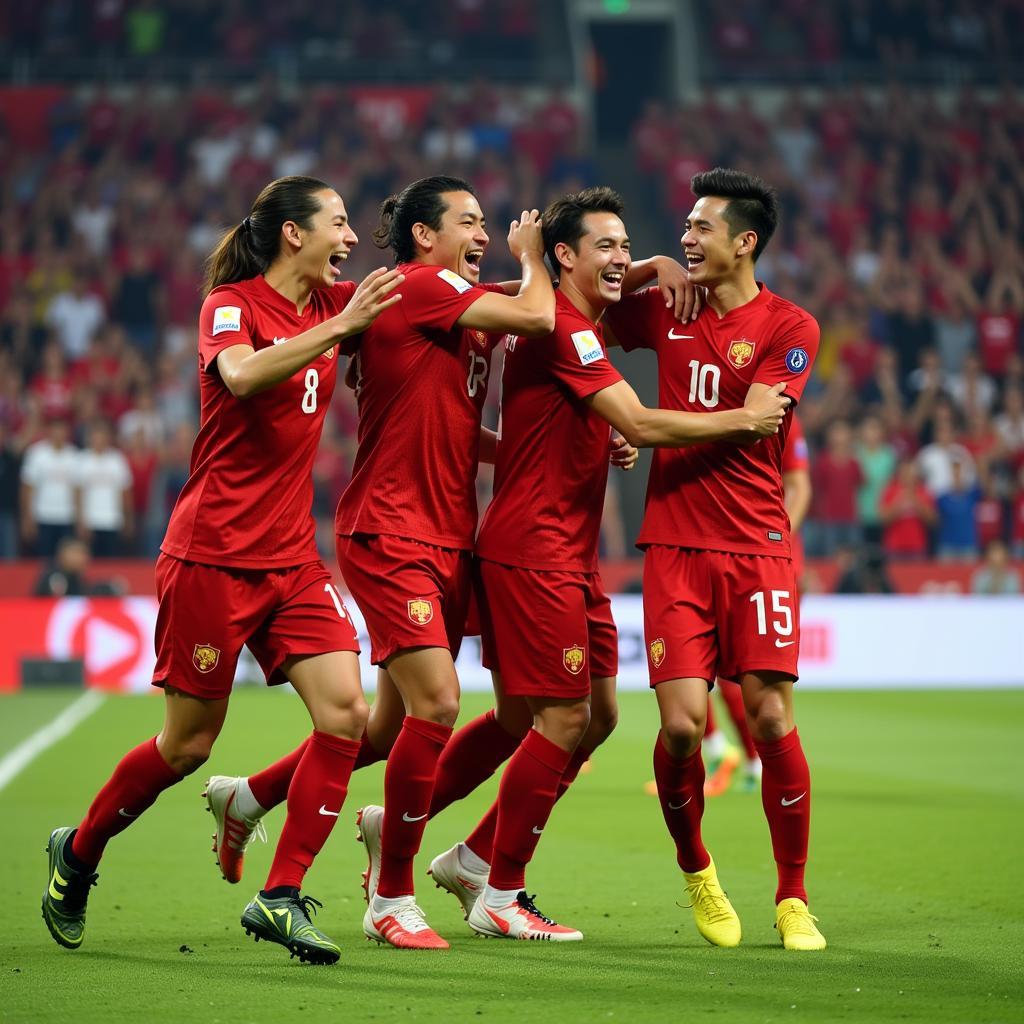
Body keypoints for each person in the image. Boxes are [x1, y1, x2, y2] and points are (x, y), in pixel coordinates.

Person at [41, 175, 404, 966]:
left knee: (346, 717)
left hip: (292, 561)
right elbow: (241, 375)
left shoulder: (334, 302)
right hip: (211, 555)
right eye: (338, 224)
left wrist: (558, 272)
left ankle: (279, 897)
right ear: (293, 235)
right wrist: (343, 325)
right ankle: (80, 851)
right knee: (188, 746)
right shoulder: (231, 305)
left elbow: (428, 291)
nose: (352, 238)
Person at [415, 187, 789, 941]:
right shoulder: (559, 324)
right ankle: (494, 884)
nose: (624, 258)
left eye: (628, 244)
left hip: (567, 550)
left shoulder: (554, 314)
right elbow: (643, 420)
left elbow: (571, 412)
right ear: (563, 256)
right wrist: (743, 418)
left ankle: (466, 854)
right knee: (560, 718)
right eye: (608, 248)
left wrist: (647, 264)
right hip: (534, 548)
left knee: (591, 715)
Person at [207, 176, 559, 951]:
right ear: (425, 236)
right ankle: (390, 896)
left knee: (379, 730)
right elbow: (539, 310)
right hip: (392, 532)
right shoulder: (425, 285)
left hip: (449, 535)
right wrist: (536, 255)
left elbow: (459, 428)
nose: (486, 231)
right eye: (470, 221)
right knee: (439, 704)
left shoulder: (447, 303)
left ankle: (250, 797)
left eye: (488, 222)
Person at [604, 167, 826, 951]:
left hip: (758, 544)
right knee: (681, 729)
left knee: (768, 713)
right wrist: (646, 269)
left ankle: (793, 898)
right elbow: (571, 304)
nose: (687, 238)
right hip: (674, 545)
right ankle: (698, 870)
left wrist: (652, 424)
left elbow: (762, 424)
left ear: (745, 242)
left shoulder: (791, 326)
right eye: (686, 228)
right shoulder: (667, 304)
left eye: (701, 229)